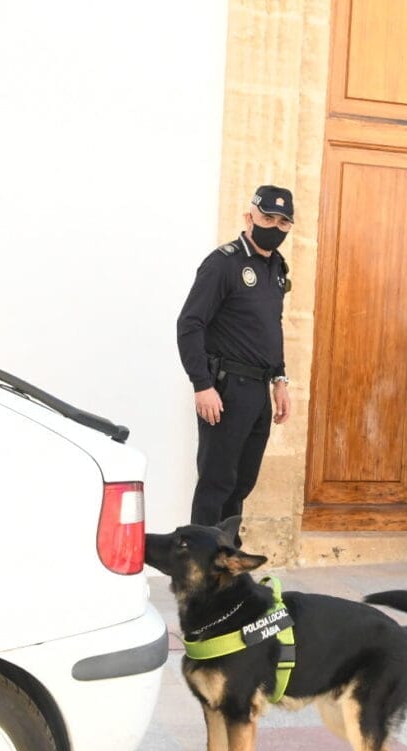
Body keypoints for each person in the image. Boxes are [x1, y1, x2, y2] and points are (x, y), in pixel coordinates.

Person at [176, 185, 295, 528]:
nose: (274, 227)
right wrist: (202, 385)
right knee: (216, 484)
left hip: (258, 391)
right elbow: (190, 324)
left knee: (241, 484)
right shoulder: (223, 264)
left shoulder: (276, 268)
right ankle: (201, 559)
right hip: (226, 389)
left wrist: (280, 379)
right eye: (267, 218)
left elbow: (270, 327)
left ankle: (227, 556)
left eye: (283, 222)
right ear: (249, 217)